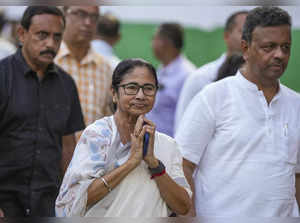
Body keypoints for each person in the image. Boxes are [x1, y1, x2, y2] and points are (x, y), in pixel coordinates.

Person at [176, 6, 300, 217]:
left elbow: (296, 176)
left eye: (286, 47)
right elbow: (181, 166)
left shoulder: (296, 104)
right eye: (269, 47)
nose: (279, 55)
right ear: (245, 48)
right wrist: (189, 216)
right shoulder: (214, 97)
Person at [56, 58, 191, 217]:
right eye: (132, 88)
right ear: (114, 93)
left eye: (148, 88)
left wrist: (154, 164)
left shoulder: (168, 145)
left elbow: (183, 207)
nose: (140, 95)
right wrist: (131, 163)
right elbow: (74, 201)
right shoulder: (98, 136)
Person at [0, 6, 85, 217]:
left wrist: (70, 202)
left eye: (57, 37)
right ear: (22, 34)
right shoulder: (2, 76)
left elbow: (68, 149)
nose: (50, 44)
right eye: (42, 35)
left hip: (48, 204)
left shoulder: (66, 85)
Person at [174, 11, 248, 132]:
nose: (249, 39)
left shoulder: (265, 82)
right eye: (243, 32)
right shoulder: (201, 78)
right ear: (226, 36)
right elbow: (183, 129)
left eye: (255, 34)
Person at [55, 6, 112, 136]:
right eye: (80, 14)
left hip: (92, 154)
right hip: (52, 153)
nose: (88, 22)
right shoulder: (49, 61)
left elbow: (108, 120)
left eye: (94, 17)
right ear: (63, 16)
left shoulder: (105, 68)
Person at [147, 22, 196, 137]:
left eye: (154, 39)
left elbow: (189, 117)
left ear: (165, 42)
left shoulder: (187, 74)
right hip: (153, 143)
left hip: (170, 147)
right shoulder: (162, 68)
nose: (152, 44)